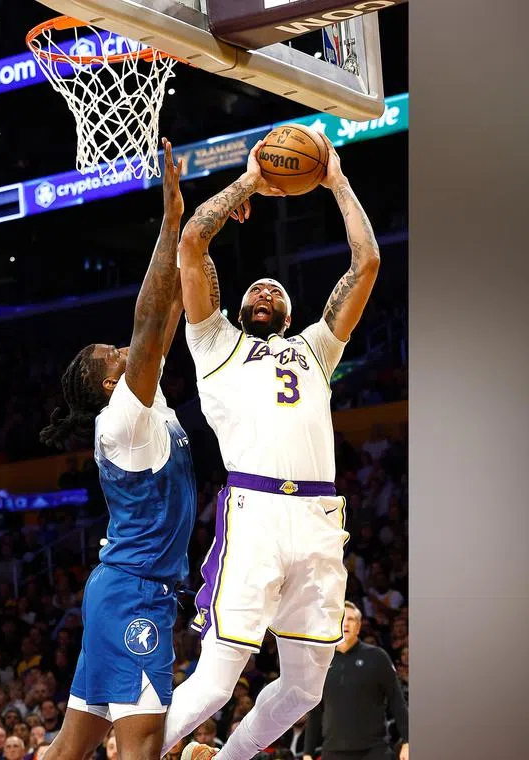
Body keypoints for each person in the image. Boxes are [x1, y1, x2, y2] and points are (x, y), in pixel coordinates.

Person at [162, 137, 382, 760]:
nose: (264, 292)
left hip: (317, 518)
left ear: (288, 313)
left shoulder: (316, 348)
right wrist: (250, 181)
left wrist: (336, 180)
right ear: (237, 308)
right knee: (215, 682)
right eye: (255, 290)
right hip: (255, 512)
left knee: (306, 688)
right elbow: (192, 242)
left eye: (275, 292)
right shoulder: (214, 343)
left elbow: (366, 263)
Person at [36, 141, 207, 760]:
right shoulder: (122, 421)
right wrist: (169, 221)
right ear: (111, 384)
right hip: (134, 593)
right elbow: (148, 320)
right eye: (114, 355)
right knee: (141, 748)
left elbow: (167, 314)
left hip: (124, 590)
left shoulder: (145, 403)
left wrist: (195, 240)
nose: (123, 349)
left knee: (71, 748)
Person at [302, 603, 409, 760]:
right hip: (333, 752)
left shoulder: (377, 657)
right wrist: (307, 752)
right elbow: (315, 711)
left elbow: (397, 701)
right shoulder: (321, 662)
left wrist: (407, 740)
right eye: (341, 619)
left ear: (358, 627)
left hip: (373, 751)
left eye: (351, 619)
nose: (345, 623)